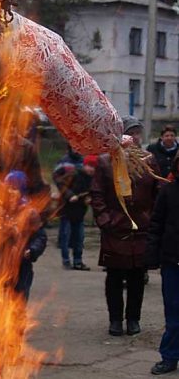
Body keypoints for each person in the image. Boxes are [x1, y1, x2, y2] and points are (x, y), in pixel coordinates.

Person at [91, 116, 161, 337]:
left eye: (136, 132)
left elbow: (157, 190)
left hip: (141, 228)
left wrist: (151, 219)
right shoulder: (105, 161)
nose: (133, 137)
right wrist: (105, 221)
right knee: (114, 277)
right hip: (115, 229)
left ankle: (133, 319)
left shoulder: (148, 159)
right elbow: (97, 194)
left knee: (137, 278)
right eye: (129, 132)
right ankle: (115, 320)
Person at [145, 153, 179, 375]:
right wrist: (152, 256)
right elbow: (156, 224)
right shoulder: (168, 191)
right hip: (173, 262)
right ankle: (169, 356)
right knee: (174, 313)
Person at [4, 171, 47, 300]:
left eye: (15, 189)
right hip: (1, 263)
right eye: (8, 188)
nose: (10, 192)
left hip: (22, 264)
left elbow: (40, 236)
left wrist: (32, 250)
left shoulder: (29, 212)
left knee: (18, 299)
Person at [54, 155, 97, 271]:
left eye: (94, 167)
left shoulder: (92, 179)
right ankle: (66, 260)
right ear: (84, 165)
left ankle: (78, 261)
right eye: (89, 166)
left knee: (79, 238)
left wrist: (88, 198)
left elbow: (91, 193)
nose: (91, 169)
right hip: (67, 210)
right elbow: (60, 183)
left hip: (79, 212)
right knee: (66, 236)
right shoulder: (74, 174)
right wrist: (70, 195)